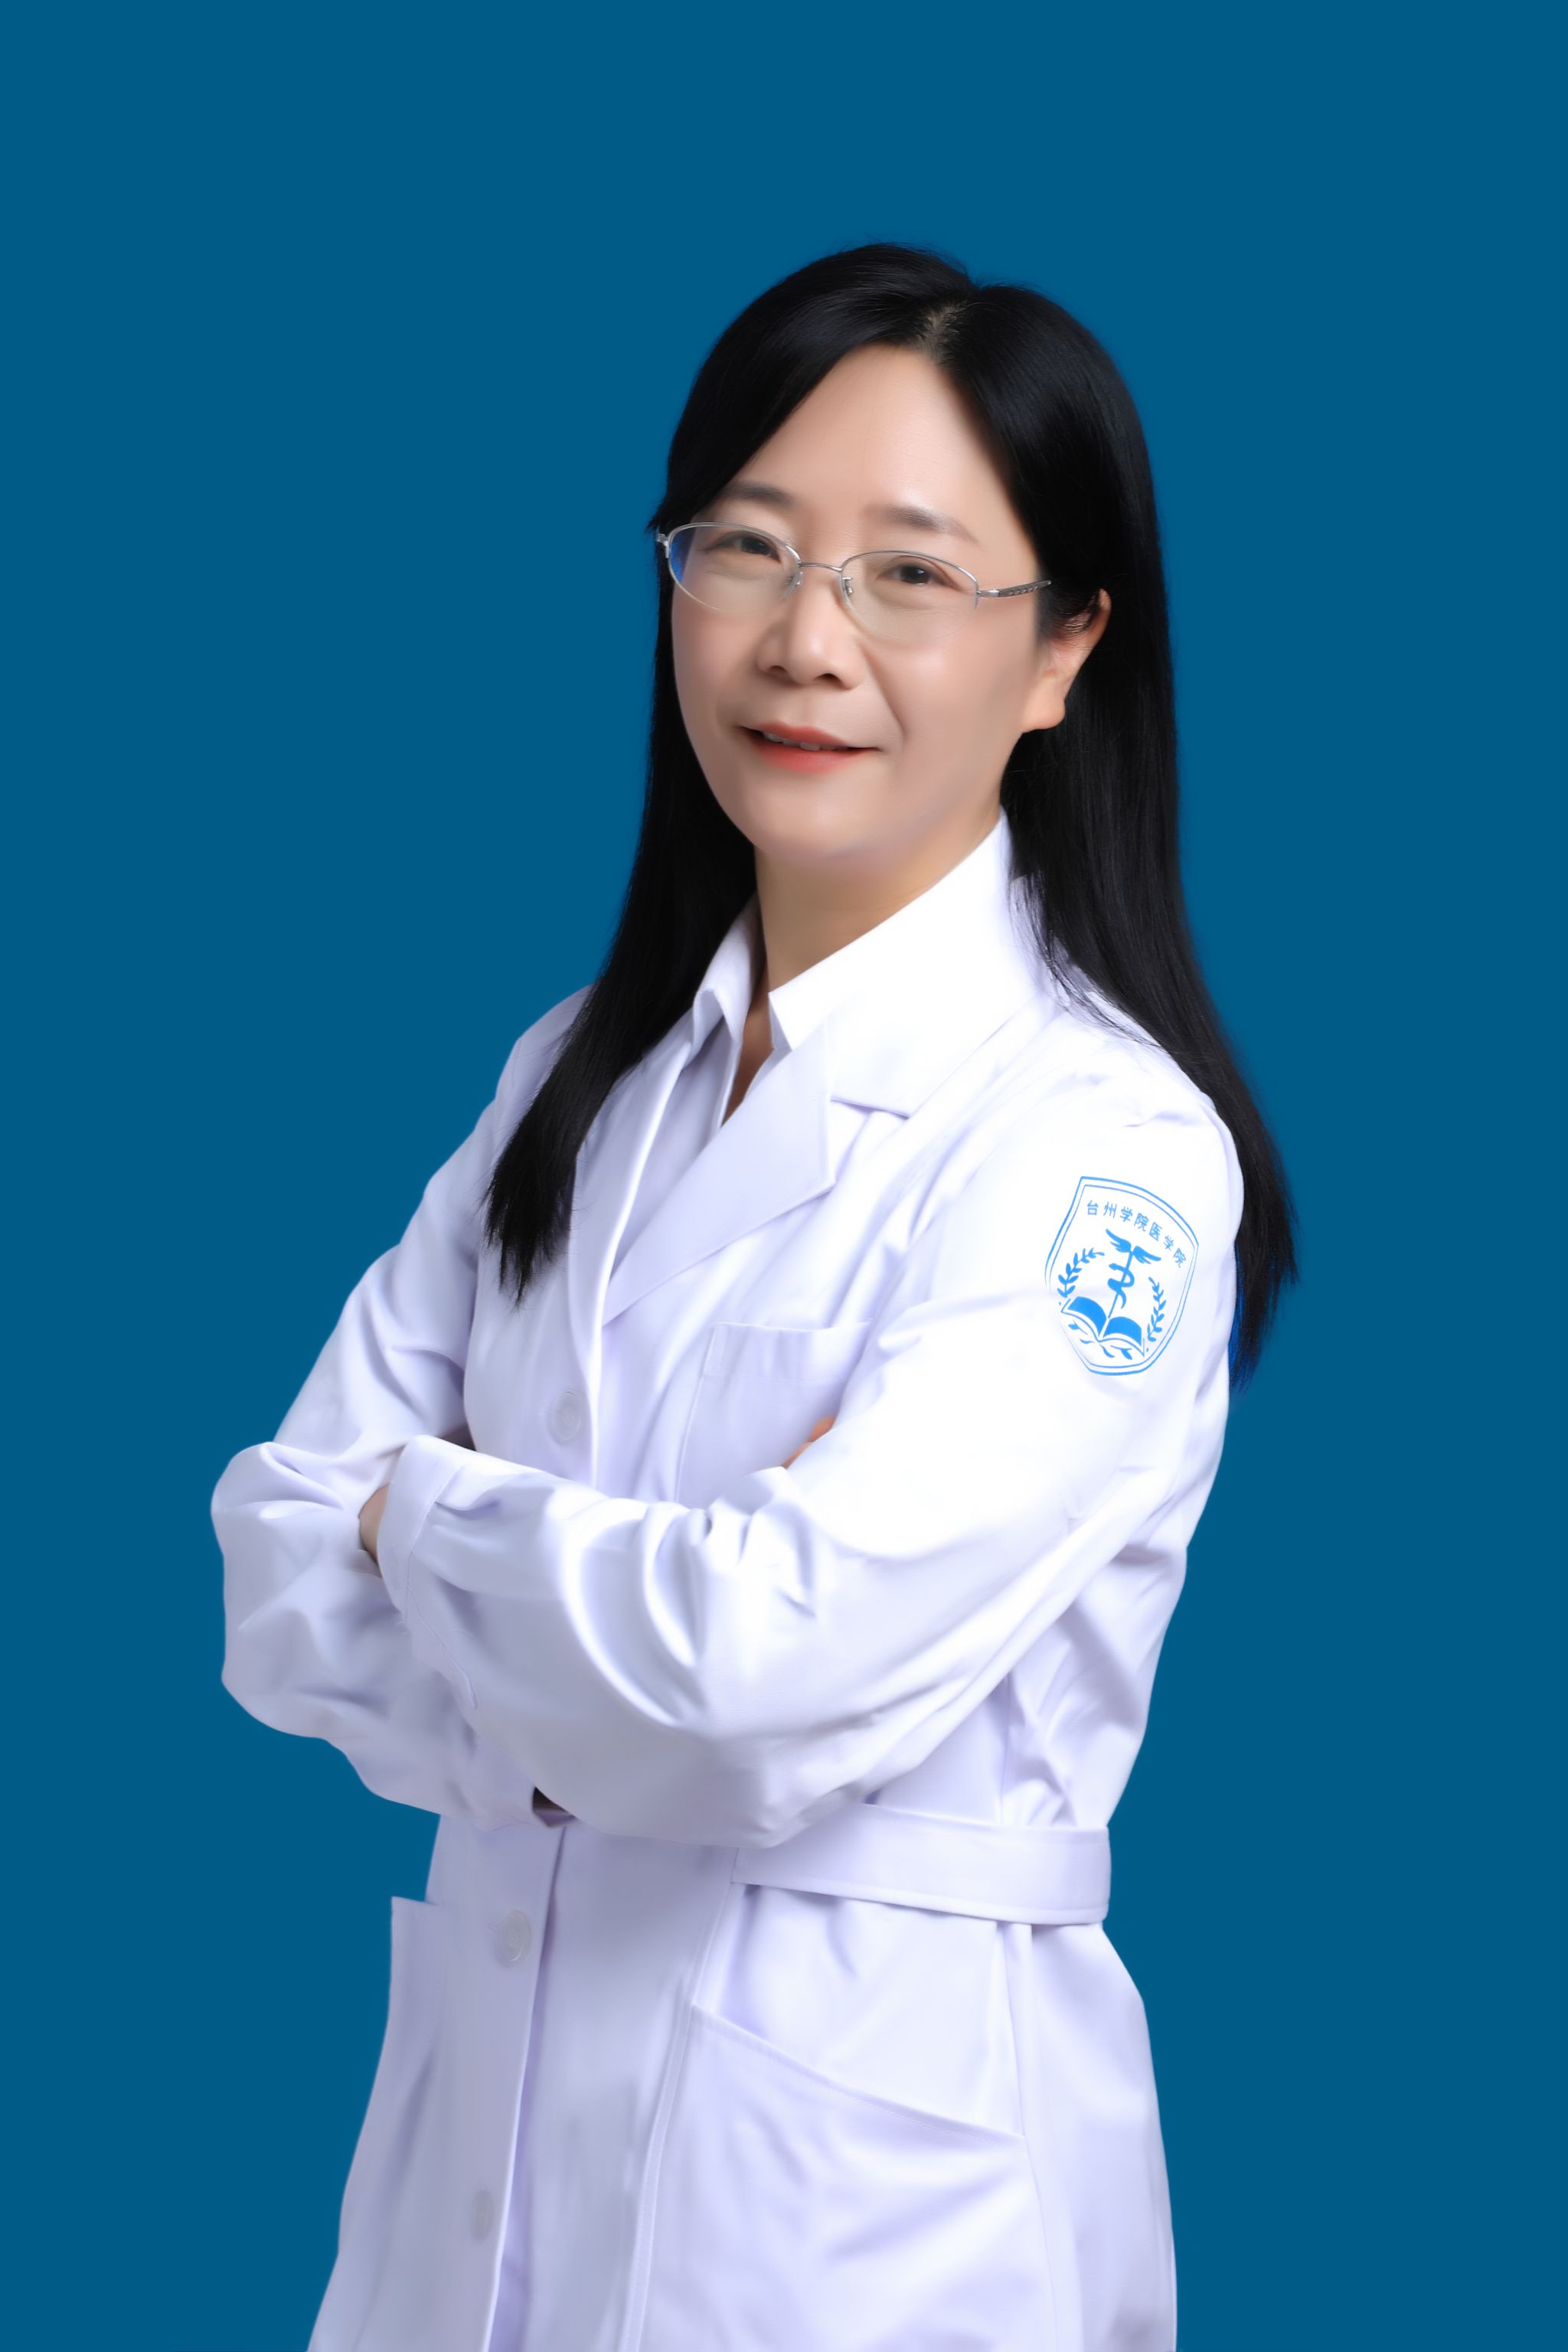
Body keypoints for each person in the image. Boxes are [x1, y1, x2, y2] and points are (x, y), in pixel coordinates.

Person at [211, 240, 1297, 2352]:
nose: (806, 640)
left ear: (1065, 647)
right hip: (470, 2179)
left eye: (911, 573)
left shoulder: (1099, 1152)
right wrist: (621, 1664)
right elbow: (270, 1566)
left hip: (866, 2223)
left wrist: (421, 1513)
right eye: (747, 549)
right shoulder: (581, 1074)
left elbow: (745, 1685)